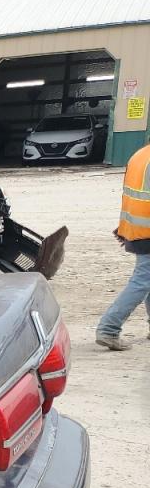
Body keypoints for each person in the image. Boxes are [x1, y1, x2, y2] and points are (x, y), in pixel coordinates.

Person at [97, 140, 150, 350]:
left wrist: (123, 227)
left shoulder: (139, 156)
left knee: (147, 279)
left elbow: (130, 196)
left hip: (138, 228)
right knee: (142, 282)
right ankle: (109, 329)